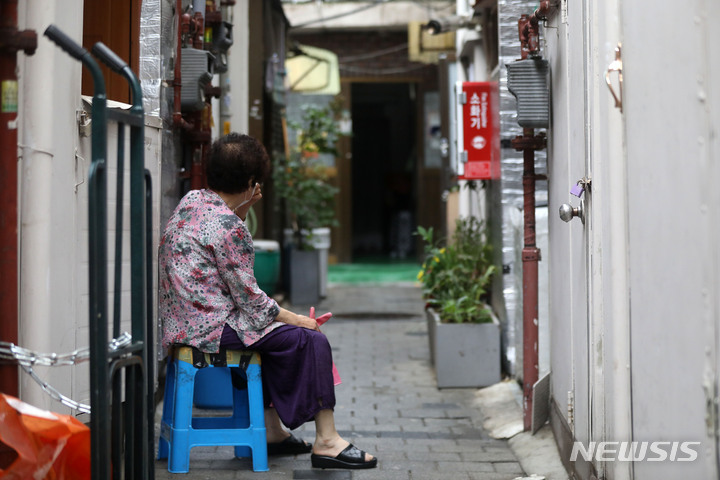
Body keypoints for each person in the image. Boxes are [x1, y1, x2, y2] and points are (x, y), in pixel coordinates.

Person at [158, 132, 377, 470]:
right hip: (212, 329)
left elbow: (221, 259)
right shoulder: (230, 227)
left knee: (274, 337)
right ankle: (328, 441)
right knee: (310, 339)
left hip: (182, 324)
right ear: (250, 181)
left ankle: (273, 432)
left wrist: (242, 208)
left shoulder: (191, 203)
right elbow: (253, 303)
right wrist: (301, 320)